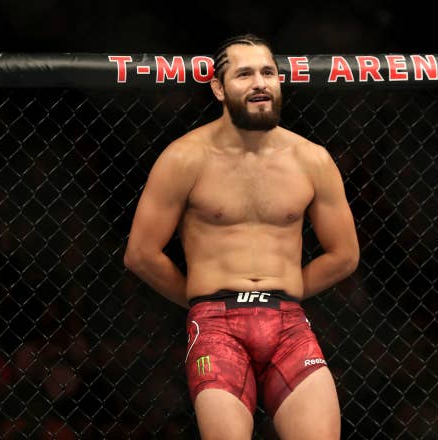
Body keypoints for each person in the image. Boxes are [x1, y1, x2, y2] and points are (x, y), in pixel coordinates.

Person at [124, 34, 359, 440]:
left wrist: (287, 290)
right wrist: (202, 300)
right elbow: (141, 253)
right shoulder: (185, 157)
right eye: (245, 73)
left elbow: (344, 255)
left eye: (268, 72)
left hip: (288, 324)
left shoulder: (311, 160)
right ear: (219, 87)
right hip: (216, 325)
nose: (260, 83)